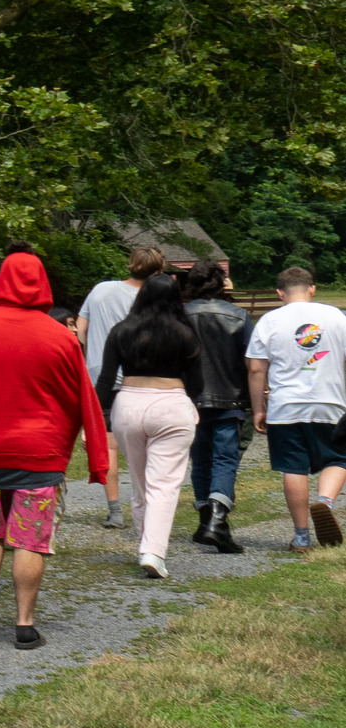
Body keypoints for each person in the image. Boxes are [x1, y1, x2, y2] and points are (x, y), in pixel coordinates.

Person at [0, 250, 110, 649]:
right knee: (30, 537)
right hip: (41, 451)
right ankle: (25, 624)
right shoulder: (59, 337)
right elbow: (82, 398)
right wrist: (93, 452)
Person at [95, 272, 201, 578]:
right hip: (171, 404)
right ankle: (153, 552)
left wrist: (92, 419)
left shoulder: (121, 330)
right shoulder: (185, 333)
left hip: (127, 404)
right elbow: (197, 384)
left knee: (141, 483)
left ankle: (146, 544)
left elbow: (105, 380)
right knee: (164, 484)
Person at [247, 266, 346, 550]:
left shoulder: (269, 320)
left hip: (285, 406)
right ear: (312, 289)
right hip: (331, 403)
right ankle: (324, 501)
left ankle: (302, 536)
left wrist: (257, 409)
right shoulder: (336, 316)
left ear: (280, 293)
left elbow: (256, 368)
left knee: (294, 466)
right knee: (339, 457)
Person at [76, 245, 167, 528]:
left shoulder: (101, 290)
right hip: (139, 378)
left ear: (130, 264)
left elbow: (80, 329)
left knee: (109, 446)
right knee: (148, 444)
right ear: (159, 271)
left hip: (100, 376)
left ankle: (115, 510)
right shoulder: (153, 298)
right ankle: (149, 502)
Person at [182, 261, 252, 553]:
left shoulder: (181, 315)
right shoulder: (238, 316)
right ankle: (217, 522)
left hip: (190, 399)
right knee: (225, 459)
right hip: (229, 398)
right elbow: (251, 362)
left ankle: (206, 522)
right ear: (221, 283)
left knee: (201, 460)